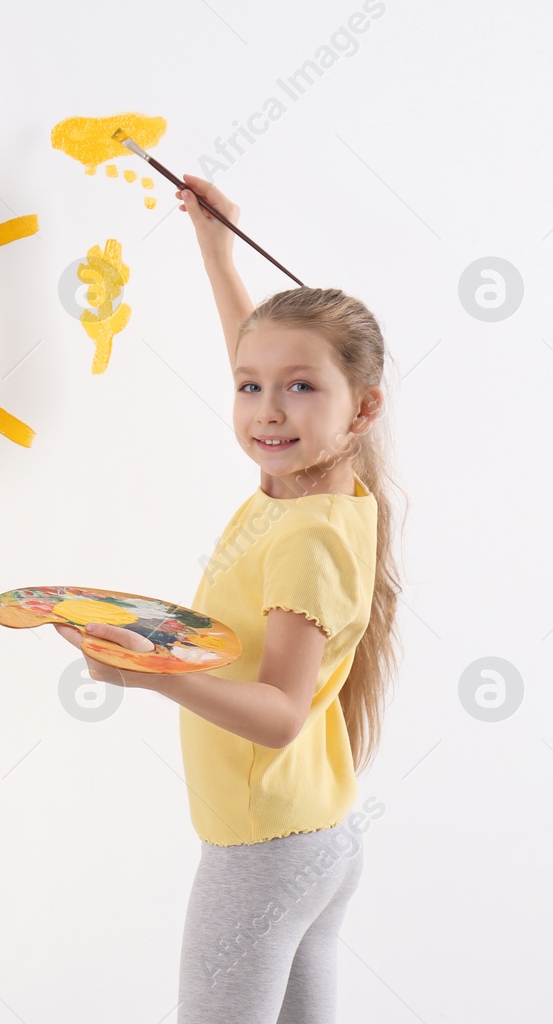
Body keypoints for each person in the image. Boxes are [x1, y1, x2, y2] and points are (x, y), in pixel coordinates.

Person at [54, 175, 405, 1023]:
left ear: (362, 408)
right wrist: (217, 249)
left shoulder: (307, 537)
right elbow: (269, 363)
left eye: (300, 389)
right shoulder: (313, 489)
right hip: (315, 837)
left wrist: (153, 673)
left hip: (264, 855)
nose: (267, 412)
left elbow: (281, 713)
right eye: (250, 388)